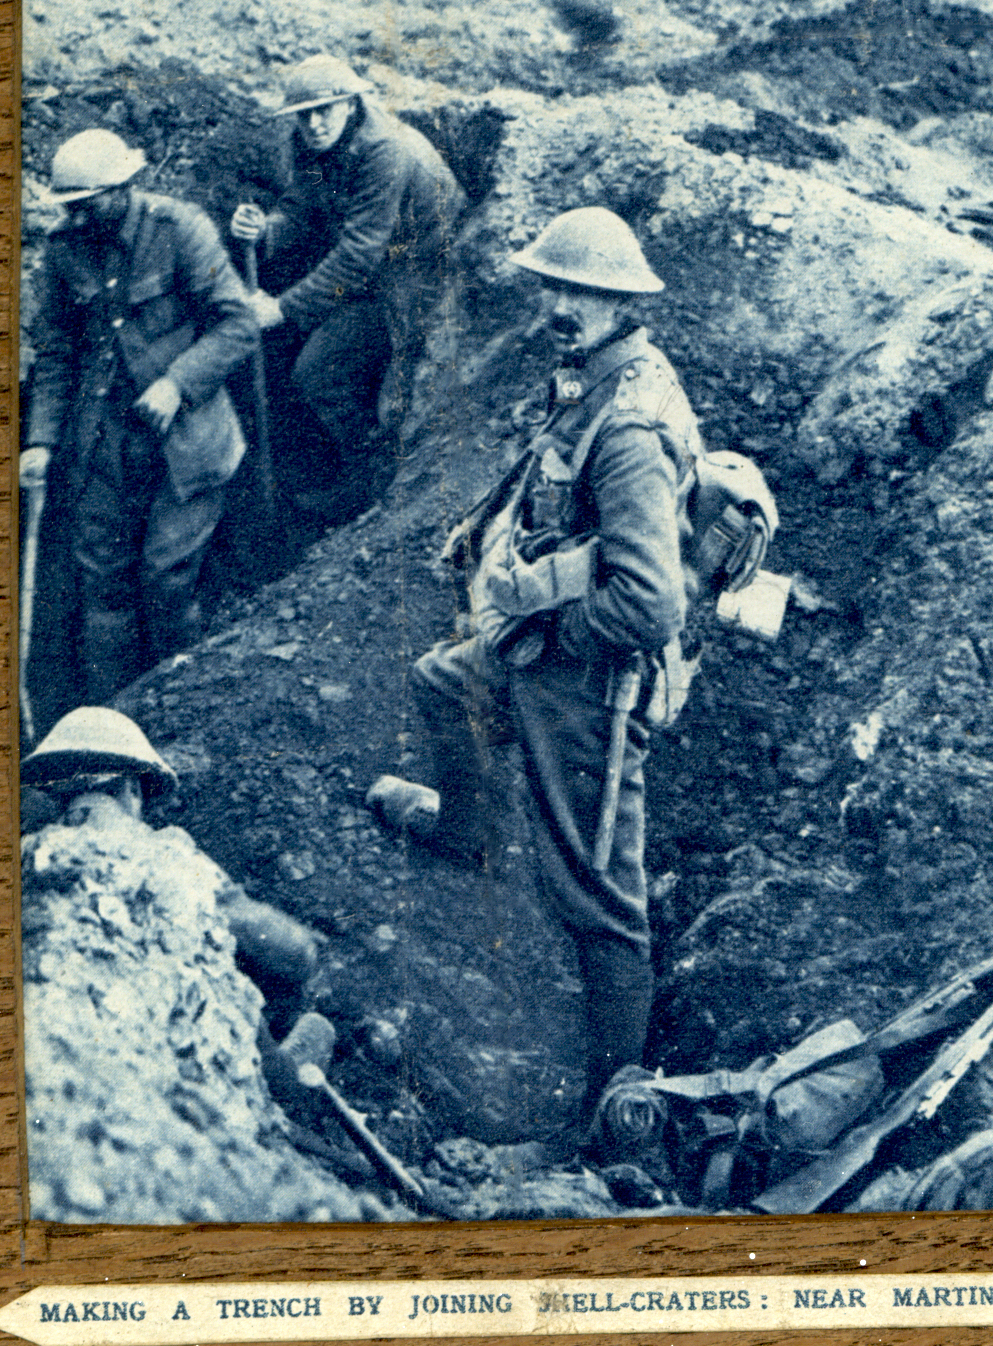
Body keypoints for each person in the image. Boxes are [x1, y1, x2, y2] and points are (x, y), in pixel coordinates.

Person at [368, 207, 702, 1125]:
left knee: (596, 894)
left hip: (589, 680)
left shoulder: (629, 429)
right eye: (553, 284)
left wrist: (549, 644)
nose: (561, 303)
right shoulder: (588, 379)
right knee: (444, 681)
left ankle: (615, 1103)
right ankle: (466, 833)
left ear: (624, 301)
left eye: (582, 290)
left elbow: (648, 605)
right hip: (542, 642)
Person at [21, 130, 257, 717]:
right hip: (105, 443)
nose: (76, 217)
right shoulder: (65, 248)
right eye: (68, 206)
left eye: (88, 203)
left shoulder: (180, 231)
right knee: (101, 582)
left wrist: (178, 382)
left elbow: (237, 324)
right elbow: (55, 352)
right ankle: (109, 722)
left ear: (125, 189)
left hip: (190, 443)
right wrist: (42, 441)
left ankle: (179, 711)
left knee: (165, 578)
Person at [229, 55, 464, 523]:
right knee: (316, 371)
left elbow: (358, 255)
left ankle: (374, 486)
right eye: (304, 114)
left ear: (351, 103)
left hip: (422, 267)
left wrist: (282, 308)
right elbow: (302, 205)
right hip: (371, 263)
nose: (314, 124)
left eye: (326, 110)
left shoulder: (385, 151)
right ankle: (359, 473)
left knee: (381, 395)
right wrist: (266, 230)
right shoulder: (311, 145)